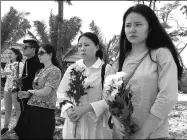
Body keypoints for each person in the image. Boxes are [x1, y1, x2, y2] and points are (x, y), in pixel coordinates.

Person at [113, 4, 184, 139]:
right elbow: (111, 95)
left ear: (150, 27)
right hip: (123, 134)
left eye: (138, 24)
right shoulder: (119, 61)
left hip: (154, 134)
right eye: (128, 25)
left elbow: (168, 96)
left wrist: (144, 132)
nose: (132, 29)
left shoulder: (161, 55)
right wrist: (117, 122)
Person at [57, 32, 115, 139]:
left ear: (97, 47)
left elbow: (111, 98)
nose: (82, 48)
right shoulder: (73, 68)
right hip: (73, 122)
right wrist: (69, 110)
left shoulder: (106, 69)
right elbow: (61, 93)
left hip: (96, 124)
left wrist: (87, 107)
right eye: (80, 45)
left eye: (86, 45)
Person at [18, 44, 62, 139]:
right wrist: (27, 94)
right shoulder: (41, 71)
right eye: (38, 54)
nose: (39, 55)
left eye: (41, 53)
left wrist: (30, 91)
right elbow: (38, 90)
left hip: (44, 111)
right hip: (33, 109)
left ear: (50, 55)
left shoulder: (55, 71)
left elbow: (46, 92)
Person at [14, 39, 44, 139]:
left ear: (33, 49)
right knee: (23, 129)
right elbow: (27, 79)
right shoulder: (27, 61)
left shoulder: (39, 62)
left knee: (25, 129)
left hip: (33, 100)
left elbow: (40, 83)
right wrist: (19, 83)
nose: (23, 49)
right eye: (22, 47)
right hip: (24, 98)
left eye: (25, 47)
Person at [1, 48, 24, 136]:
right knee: (7, 110)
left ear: (17, 55)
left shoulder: (20, 64)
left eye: (11, 53)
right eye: (9, 53)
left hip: (15, 89)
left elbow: (22, 76)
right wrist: (3, 74)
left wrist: (15, 77)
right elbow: (5, 75)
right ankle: (5, 127)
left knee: (18, 109)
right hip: (7, 89)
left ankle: (18, 127)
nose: (9, 54)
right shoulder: (7, 64)